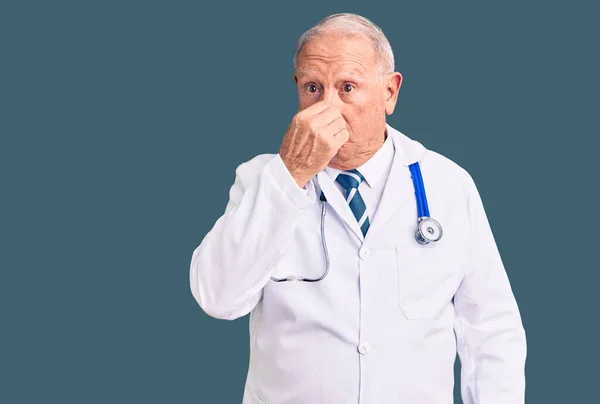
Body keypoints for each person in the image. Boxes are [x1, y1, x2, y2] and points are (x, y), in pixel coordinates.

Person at [189, 12, 527, 404]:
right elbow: (217, 298)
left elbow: (490, 330)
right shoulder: (261, 180)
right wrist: (290, 175)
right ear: (296, 87)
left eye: (347, 87)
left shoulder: (448, 185)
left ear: (389, 92)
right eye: (313, 88)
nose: (327, 107)